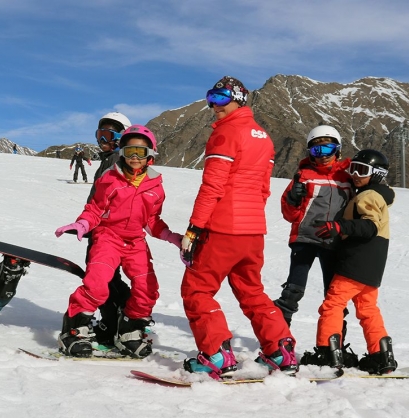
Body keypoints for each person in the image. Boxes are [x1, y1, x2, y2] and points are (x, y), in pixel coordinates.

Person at [180, 76, 298, 380]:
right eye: (210, 99)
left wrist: (194, 229)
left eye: (220, 99)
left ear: (238, 100)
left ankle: (216, 355)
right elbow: (263, 190)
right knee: (251, 291)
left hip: (222, 228)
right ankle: (280, 350)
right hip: (252, 231)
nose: (213, 106)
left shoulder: (226, 134)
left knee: (197, 289)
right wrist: (250, 221)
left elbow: (212, 187)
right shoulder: (264, 137)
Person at [54, 125, 182, 358]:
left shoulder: (156, 186)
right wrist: (82, 224)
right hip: (108, 237)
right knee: (97, 284)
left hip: (135, 242)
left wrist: (172, 238)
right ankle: (73, 330)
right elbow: (94, 209)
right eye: (130, 150)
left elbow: (152, 220)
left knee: (148, 290)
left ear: (150, 155)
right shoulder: (109, 179)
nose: (134, 157)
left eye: (140, 152)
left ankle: (129, 332)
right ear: (121, 151)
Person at [300, 150, 397, 375]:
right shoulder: (379, 195)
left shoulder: (367, 196)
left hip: (356, 261)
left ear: (377, 174)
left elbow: (370, 226)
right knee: (367, 308)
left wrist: (340, 226)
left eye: (361, 170)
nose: (354, 174)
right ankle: (381, 355)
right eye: (352, 168)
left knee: (333, 303)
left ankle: (327, 353)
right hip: (373, 266)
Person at [274, 126, 355, 342]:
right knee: (293, 290)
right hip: (305, 239)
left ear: (338, 149)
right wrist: (293, 198)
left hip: (333, 242)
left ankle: (333, 340)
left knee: (334, 295)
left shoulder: (346, 177)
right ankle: (277, 339)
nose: (322, 156)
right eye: (316, 151)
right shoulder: (303, 176)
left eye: (327, 149)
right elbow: (288, 213)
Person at [85, 112, 132, 346]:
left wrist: (94, 223)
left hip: (105, 231)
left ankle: (112, 324)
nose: (101, 140)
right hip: (101, 228)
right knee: (110, 279)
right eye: (99, 134)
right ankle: (126, 319)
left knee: (100, 278)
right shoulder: (109, 158)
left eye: (107, 135)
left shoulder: (116, 160)